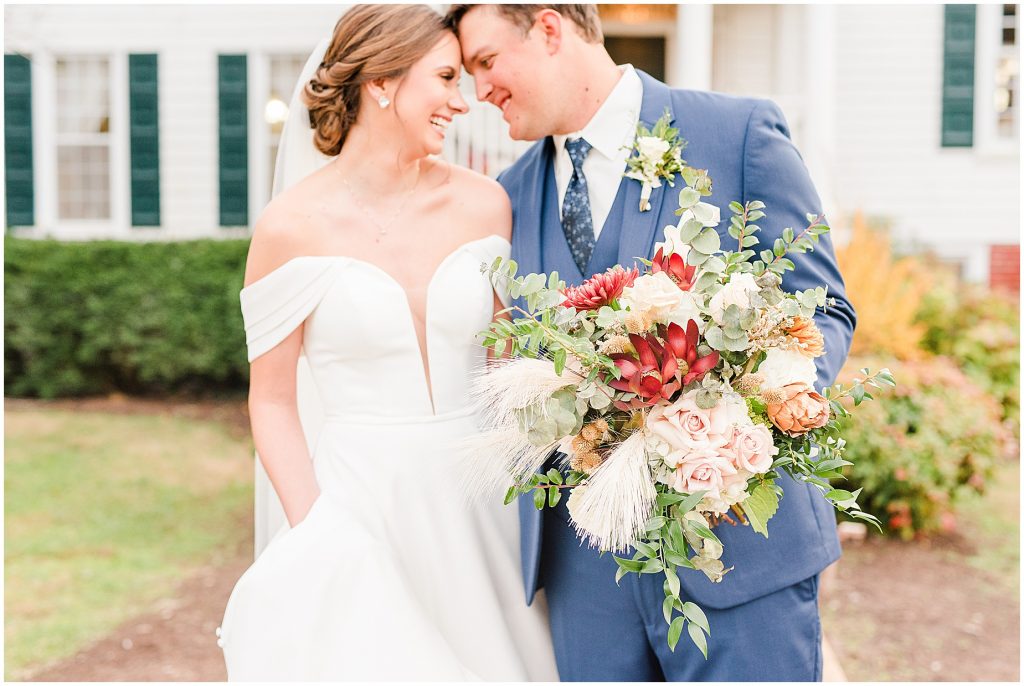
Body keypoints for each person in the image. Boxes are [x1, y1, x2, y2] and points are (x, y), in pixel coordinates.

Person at [447, 4, 856, 682]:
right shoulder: (506, 197)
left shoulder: (736, 133)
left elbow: (825, 306)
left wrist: (751, 411)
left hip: (737, 550)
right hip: (584, 575)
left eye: (486, 62)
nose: (479, 89)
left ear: (549, 29)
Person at [217, 5, 558, 680]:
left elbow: (504, 363)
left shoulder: (487, 204)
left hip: (481, 501)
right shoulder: (287, 230)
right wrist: (317, 531)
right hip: (358, 506)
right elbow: (274, 401)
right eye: (445, 78)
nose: (462, 103)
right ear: (381, 82)